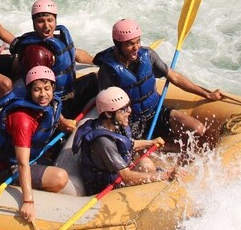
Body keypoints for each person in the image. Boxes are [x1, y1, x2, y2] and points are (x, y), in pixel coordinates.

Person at [93, 19, 225, 151]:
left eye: (138, 41)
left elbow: (176, 78)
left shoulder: (148, 55)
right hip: (131, 121)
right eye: (130, 44)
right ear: (118, 45)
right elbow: (107, 107)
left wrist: (207, 94)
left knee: (198, 130)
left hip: (156, 110)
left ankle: (163, 146)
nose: (136, 47)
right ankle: (158, 146)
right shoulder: (108, 70)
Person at [0, 66, 73, 221]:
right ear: (29, 91)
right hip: (10, 166)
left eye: (47, 88)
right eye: (37, 90)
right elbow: (22, 163)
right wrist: (28, 201)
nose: (43, 95)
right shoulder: (22, 119)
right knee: (60, 177)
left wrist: (64, 122)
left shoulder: (51, 101)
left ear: (53, 87)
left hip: (34, 154)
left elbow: (53, 110)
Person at [72, 87, 174, 196]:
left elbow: (127, 143)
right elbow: (125, 176)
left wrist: (151, 142)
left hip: (117, 173)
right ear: (109, 114)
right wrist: (165, 175)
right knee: (147, 165)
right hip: (106, 187)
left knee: (146, 163)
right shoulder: (103, 142)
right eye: (124, 109)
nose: (129, 111)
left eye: (129, 106)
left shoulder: (114, 125)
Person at [10, 0, 97, 118]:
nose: (46, 26)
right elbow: (41, 93)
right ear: (33, 23)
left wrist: (99, 61)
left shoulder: (58, 39)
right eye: (40, 21)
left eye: (50, 20)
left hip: (69, 90)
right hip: (58, 102)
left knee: (100, 76)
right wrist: (61, 121)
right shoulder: (36, 53)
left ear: (55, 21)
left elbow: (77, 54)